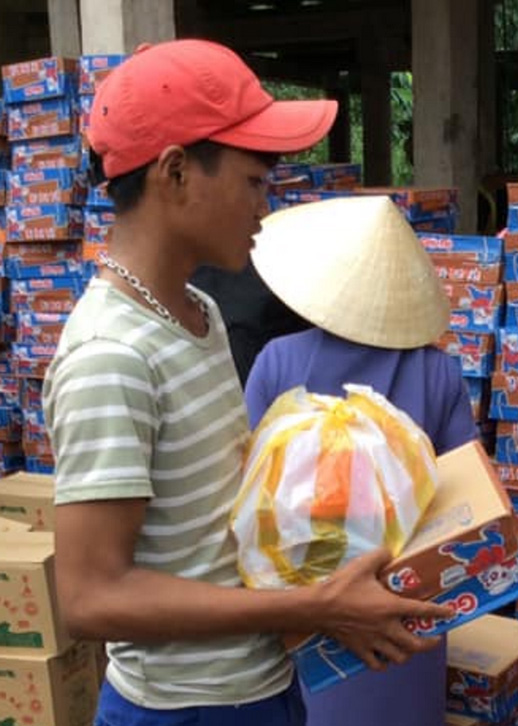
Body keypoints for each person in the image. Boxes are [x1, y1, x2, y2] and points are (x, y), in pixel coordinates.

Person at [42, 39, 452, 726]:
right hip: (187, 711)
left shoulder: (195, 311)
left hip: (257, 683)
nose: (265, 208)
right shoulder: (110, 354)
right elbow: (90, 599)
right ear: (175, 174)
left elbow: (215, 524)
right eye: (254, 182)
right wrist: (313, 607)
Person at [245, 195, 479, 726]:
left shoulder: (278, 361)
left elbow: (247, 498)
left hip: (301, 617)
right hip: (404, 617)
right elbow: (464, 506)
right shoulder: (437, 372)